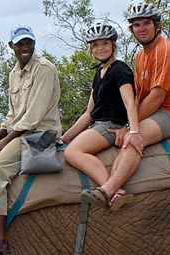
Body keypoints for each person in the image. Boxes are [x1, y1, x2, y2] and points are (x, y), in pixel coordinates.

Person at [81, 3, 170, 207]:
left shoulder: (164, 51)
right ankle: (116, 192)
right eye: (136, 25)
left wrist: (129, 129)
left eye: (146, 23)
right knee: (126, 140)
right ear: (131, 30)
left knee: (133, 141)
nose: (141, 28)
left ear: (156, 26)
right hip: (155, 112)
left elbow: (157, 97)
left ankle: (107, 190)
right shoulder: (141, 55)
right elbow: (140, 96)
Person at [0, 25, 61, 255]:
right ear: (11, 46)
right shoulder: (14, 73)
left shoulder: (45, 69)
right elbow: (13, 113)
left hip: (41, 133)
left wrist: (6, 142)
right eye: (20, 44)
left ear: (34, 44)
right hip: (21, 130)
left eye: (29, 43)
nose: (25, 47)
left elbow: (33, 115)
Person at [61, 22, 140, 206]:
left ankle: (112, 189)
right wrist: (64, 138)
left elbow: (130, 102)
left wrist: (133, 132)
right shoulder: (99, 72)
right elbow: (89, 113)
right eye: (95, 45)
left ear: (113, 44)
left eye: (104, 43)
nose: (100, 48)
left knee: (73, 152)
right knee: (68, 145)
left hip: (111, 126)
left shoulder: (120, 70)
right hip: (97, 125)